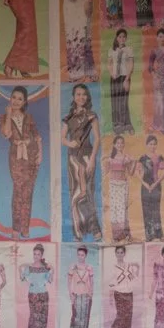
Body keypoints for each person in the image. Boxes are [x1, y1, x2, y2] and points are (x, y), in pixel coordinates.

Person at [2, 86, 43, 239]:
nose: (16, 101)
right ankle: (15, 228)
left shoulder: (29, 117)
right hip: (16, 158)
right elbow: (7, 134)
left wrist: (40, 154)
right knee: (18, 192)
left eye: (20, 98)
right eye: (14, 97)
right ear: (10, 98)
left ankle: (25, 228)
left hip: (32, 156)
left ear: (24, 101)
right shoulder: (4, 117)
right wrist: (8, 114)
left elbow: (38, 137)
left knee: (28, 193)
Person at [62, 84, 101, 240]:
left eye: (84, 94)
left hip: (86, 156)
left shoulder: (92, 115)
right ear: (73, 97)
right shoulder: (68, 118)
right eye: (78, 94)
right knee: (75, 193)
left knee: (88, 192)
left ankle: (94, 227)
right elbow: (63, 138)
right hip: (72, 158)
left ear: (87, 97)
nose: (81, 97)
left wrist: (92, 159)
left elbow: (97, 138)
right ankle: (77, 230)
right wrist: (69, 143)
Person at [21, 243, 54, 328]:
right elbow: (22, 278)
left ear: (41, 255)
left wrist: (51, 269)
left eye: (38, 254)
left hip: (43, 295)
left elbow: (50, 280)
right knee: (33, 317)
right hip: (32, 295)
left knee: (42, 317)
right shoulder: (29, 267)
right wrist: (20, 269)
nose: (36, 256)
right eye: (34, 254)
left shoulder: (45, 267)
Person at [109, 244, 138, 328]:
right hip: (119, 294)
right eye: (118, 252)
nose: (120, 254)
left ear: (124, 253)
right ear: (115, 254)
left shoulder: (129, 265)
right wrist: (110, 298)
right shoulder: (113, 267)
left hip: (129, 294)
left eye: (122, 252)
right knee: (120, 316)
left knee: (128, 317)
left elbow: (134, 276)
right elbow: (111, 284)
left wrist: (136, 267)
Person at [66, 246, 95, 328]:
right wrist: (70, 294)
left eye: (82, 255)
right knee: (75, 317)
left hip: (86, 295)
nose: (80, 257)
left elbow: (91, 281)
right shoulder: (72, 266)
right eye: (79, 254)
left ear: (85, 256)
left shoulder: (89, 267)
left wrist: (91, 293)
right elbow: (69, 281)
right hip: (76, 294)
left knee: (85, 317)